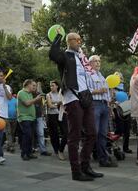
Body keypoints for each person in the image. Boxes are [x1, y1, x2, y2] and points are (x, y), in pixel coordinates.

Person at [49, 31, 102, 181]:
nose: (80, 42)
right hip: (72, 97)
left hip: (86, 97)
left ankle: (85, 166)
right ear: (69, 41)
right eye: (76, 40)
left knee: (92, 133)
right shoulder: (65, 56)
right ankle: (76, 172)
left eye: (80, 39)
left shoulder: (82, 57)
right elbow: (53, 54)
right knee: (74, 135)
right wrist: (58, 36)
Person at [86, 55, 116, 167]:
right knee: (94, 132)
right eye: (95, 61)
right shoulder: (87, 75)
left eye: (99, 61)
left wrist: (109, 105)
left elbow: (106, 93)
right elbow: (85, 91)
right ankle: (86, 158)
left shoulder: (102, 76)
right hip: (94, 104)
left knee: (103, 134)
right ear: (90, 63)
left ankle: (103, 159)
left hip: (104, 105)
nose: (98, 63)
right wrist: (98, 91)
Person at [17, 79, 43, 160]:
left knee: (30, 136)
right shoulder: (21, 93)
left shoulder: (30, 94)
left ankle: (29, 153)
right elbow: (27, 103)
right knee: (27, 135)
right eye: (33, 85)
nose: (34, 87)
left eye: (35, 85)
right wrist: (36, 99)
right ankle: (24, 154)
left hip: (31, 118)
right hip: (24, 117)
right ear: (28, 85)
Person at [46, 80, 68, 161]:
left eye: (53, 85)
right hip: (52, 115)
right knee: (54, 133)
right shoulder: (48, 95)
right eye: (50, 86)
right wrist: (57, 104)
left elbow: (64, 104)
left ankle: (60, 149)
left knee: (66, 132)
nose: (51, 87)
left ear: (57, 86)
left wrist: (58, 104)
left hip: (61, 114)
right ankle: (57, 149)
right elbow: (50, 105)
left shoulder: (61, 94)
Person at [112, 72, 132, 154]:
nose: (119, 79)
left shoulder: (124, 88)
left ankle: (126, 148)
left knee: (127, 130)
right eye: (117, 77)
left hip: (126, 110)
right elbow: (110, 100)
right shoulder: (112, 88)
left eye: (120, 77)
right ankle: (115, 147)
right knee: (119, 130)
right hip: (117, 110)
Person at [34, 81, 51, 156]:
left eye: (39, 86)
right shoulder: (29, 94)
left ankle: (43, 150)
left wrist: (44, 114)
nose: (37, 88)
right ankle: (32, 148)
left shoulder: (41, 96)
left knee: (41, 133)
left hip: (39, 116)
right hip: (31, 116)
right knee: (32, 133)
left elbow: (44, 105)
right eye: (36, 86)